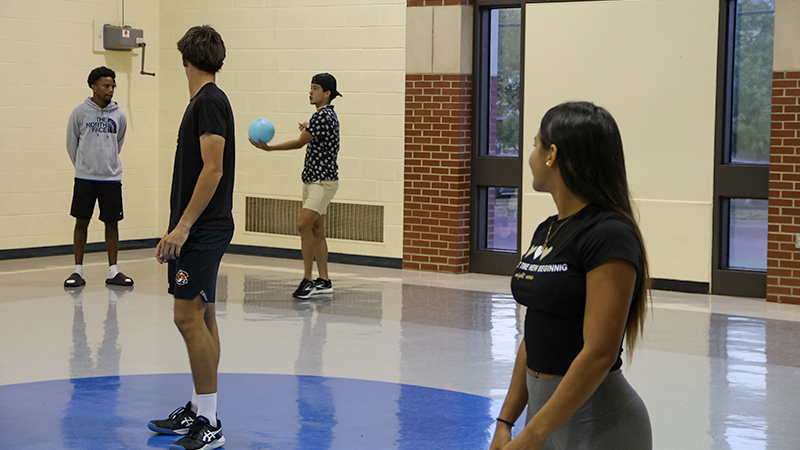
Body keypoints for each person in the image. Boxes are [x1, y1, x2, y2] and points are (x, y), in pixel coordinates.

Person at [489, 102, 652, 450]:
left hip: (601, 426)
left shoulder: (609, 234)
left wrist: (533, 435)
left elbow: (599, 353)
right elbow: (534, 333)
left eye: (535, 144)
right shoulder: (547, 230)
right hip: (545, 419)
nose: (530, 155)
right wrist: (506, 421)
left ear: (552, 155)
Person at [147, 25, 234, 450]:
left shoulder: (209, 103)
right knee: (204, 316)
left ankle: (211, 421)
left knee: (186, 317)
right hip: (200, 227)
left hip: (202, 229)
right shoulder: (203, 102)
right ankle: (202, 408)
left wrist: (182, 227)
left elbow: (212, 169)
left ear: (184, 58)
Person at [250, 73, 341, 299]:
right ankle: (325, 280)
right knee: (317, 230)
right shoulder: (323, 116)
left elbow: (300, 143)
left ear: (327, 93)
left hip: (322, 182)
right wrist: (308, 124)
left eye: (315, 88)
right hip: (313, 181)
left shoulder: (323, 117)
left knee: (303, 225)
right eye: (310, 87)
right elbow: (316, 128)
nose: (310, 91)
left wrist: (270, 149)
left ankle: (308, 280)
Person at [64, 66, 133, 288]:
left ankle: (113, 271)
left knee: (111, 223)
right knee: (81, 221)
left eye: (113, 86)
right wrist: (84, 167)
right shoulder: (79, 113)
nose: (110, 90)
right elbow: (71, 144)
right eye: (106, 86)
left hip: (111, 179)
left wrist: (106, 165)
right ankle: (77, 270)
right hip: (85, 178)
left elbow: (118, 143)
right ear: (93, 86)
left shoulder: (119, 115)